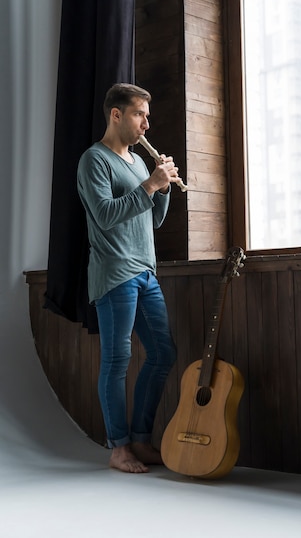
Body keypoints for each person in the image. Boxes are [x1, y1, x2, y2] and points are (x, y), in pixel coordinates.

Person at [77, 83, 177, 473]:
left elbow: (151, 219)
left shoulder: (138, 162)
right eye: (140, 114)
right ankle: (118, 447)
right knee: (117, 359)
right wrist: (151, 184)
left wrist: (162, 188)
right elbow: (104, 214)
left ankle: (140, 438)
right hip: (114, 272)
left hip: (145, 271)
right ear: (116, 114)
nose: (146, 125)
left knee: (163, 354)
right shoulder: (94, 160)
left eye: (147, 117)